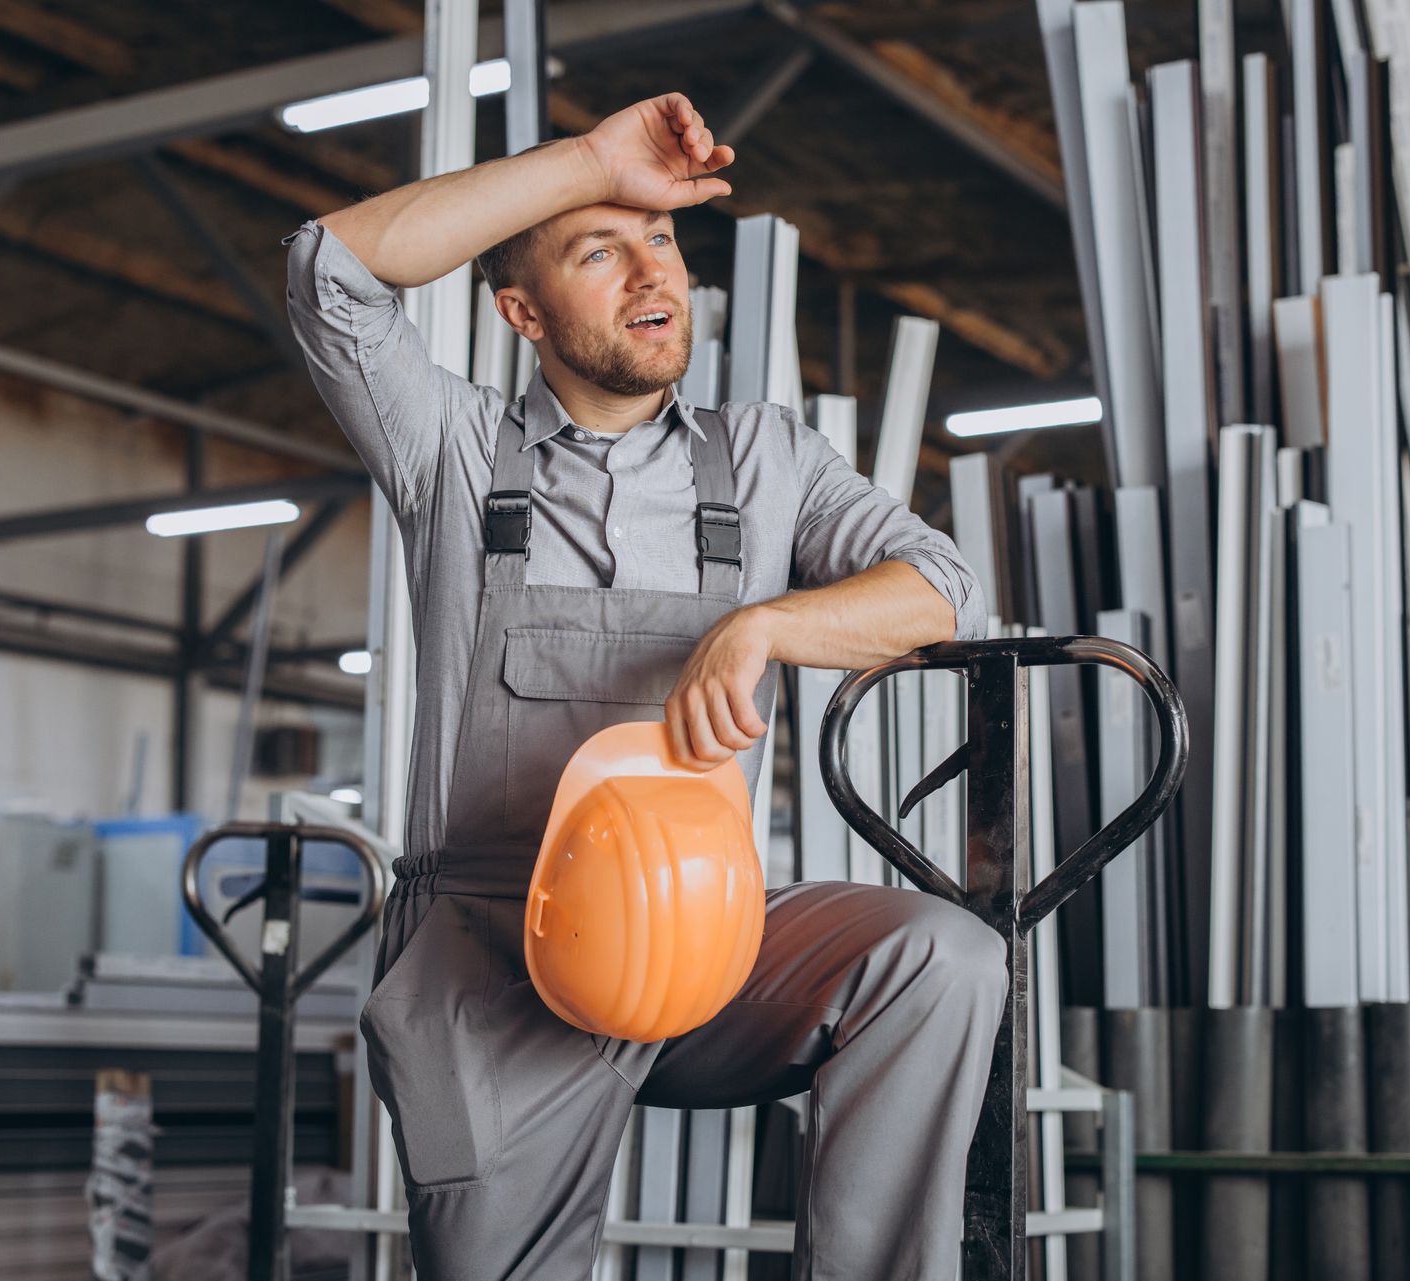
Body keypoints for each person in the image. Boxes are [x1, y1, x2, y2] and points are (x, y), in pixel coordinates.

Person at [285, 91, 1007, 1281]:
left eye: (660, 240)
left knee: (944, 958)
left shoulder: (768, 460)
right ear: (521, 311)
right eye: (597, 248)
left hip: (708, 935)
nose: (646, 272)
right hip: (492, 958)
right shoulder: (454, 456)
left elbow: (944, 588)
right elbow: (332, 272)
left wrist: (765, 623)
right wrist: (587, 160)